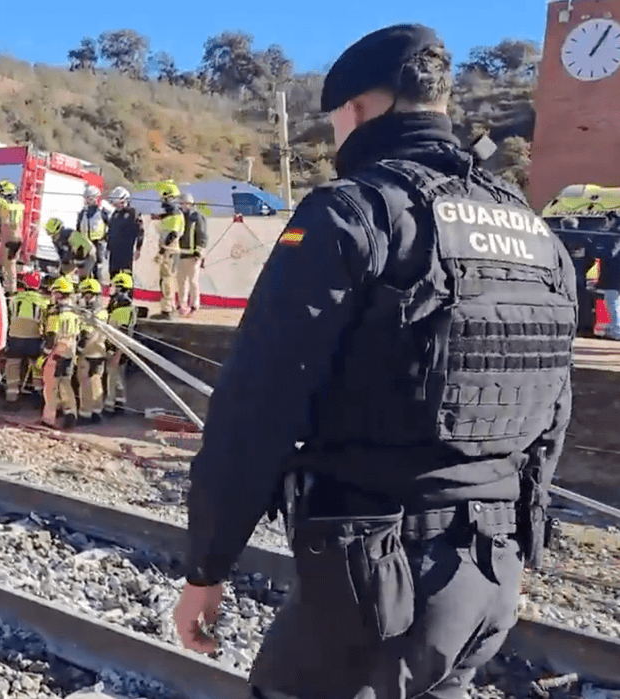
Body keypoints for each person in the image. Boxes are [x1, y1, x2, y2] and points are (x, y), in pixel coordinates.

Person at [171, 24, 577, 699]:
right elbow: (551, 412)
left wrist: (205, 569)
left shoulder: (353, 212)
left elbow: (256, 409)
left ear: (358, 109)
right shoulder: (534, 233)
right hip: (490, 573)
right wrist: (521, 548)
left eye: (335, 121)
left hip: (375, 580)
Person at [40, 276, 80, 428]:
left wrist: (45, 355)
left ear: (59, 293)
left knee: (50, 387)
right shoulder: (75, 313)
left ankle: (48, 419)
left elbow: (51, 337)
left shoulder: (55, 313)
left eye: (54, 292)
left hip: (56, 353)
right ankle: (71, 414)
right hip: (70, 352)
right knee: (66, 384)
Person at [3, 269, 49, 401]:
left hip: (15, 337)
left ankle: (11, 397)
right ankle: (38, 394)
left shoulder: (14, 298)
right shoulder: (43, 301)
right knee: (36, 365)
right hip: (34, 339)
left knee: (12, 365)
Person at [74, 277, 108, 423]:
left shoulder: (87, 313)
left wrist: (78, 350)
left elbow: (86, 334)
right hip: (100, 351)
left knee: (85, 384)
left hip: (87, 352)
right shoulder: (103, 312)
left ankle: (85, 414)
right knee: (96, 383)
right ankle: (97, 411)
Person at [104, 271, 137, 414]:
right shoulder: (117, 305)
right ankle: (119, 401)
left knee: (112, 377)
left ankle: (110, 406)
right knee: (117, 377)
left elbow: (123, 334)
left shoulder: (124, 309)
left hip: (118, 348)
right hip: (114, 346)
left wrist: (118, 354)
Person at [150, 182, 185, 319]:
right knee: (165, 280)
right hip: (168, 251)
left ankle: (167, 310)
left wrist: (162, 252)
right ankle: (168, 307)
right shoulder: (171, 214)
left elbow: (172, 235)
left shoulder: (175, 214)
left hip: (169, 252)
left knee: (167, 280)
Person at [0, 180, 25, 293]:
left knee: (6, 265)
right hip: (18, 237)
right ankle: (12, 288)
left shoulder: (3, 204)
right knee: (12, 264)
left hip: (8, 236)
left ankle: (8, 290)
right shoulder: (20, 206)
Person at [176, 192, 207, 315]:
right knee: (181, 282)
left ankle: (195, 304)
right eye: (181, 203)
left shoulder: (197, 217)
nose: (183, 205)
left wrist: (199, 253)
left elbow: (202, 236)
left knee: (193, 281)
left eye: (185, 203)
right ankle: (182, 304)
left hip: (193, 255)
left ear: (190, 203)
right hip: (180, 254)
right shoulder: (178, 216)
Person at [77, 185, 112, 286]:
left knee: (97, 268)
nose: (87, 200)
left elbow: (111, 226)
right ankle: (84, 289)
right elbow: (78, 229)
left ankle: (97, 289)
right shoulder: (83, 212)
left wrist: (107, 240)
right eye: (86, 198)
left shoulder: (103, 212)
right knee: (84, 268)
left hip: (98, 243)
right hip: (85, 243)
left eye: (89, 198)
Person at [107, 187, 144, 279]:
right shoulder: (115, 214)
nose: (115, 205)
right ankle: (116, 291)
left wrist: (138, 248)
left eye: (117, 202)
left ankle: (127, 293)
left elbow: (140, 231)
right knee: (113, 274)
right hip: (114, 250)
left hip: (126, 250)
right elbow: (111, 230)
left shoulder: (133, 213)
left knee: (126, 275)